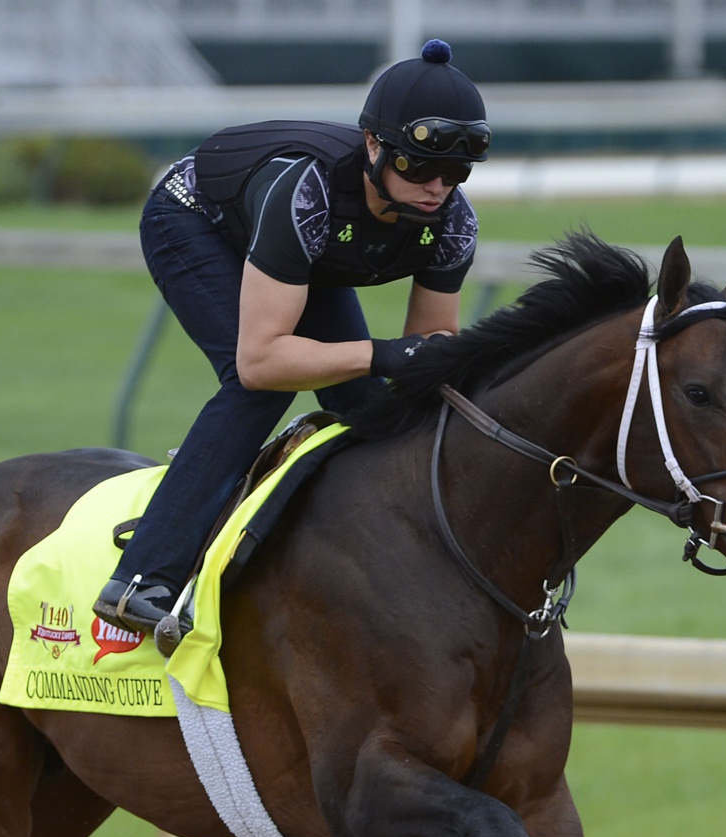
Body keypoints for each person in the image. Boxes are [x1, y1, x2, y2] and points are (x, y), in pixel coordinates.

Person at [94, 38, 490, 649]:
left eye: (456, 173)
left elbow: (430, 342)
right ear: (374, 146)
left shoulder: (454, 223)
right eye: (418, 166)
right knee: (258, 386)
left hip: (313, 252)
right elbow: (261, 360)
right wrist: (383, 354)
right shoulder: (307, 192)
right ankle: (141, 575)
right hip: (198, 220)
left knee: (370, 406)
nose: (438, 187)